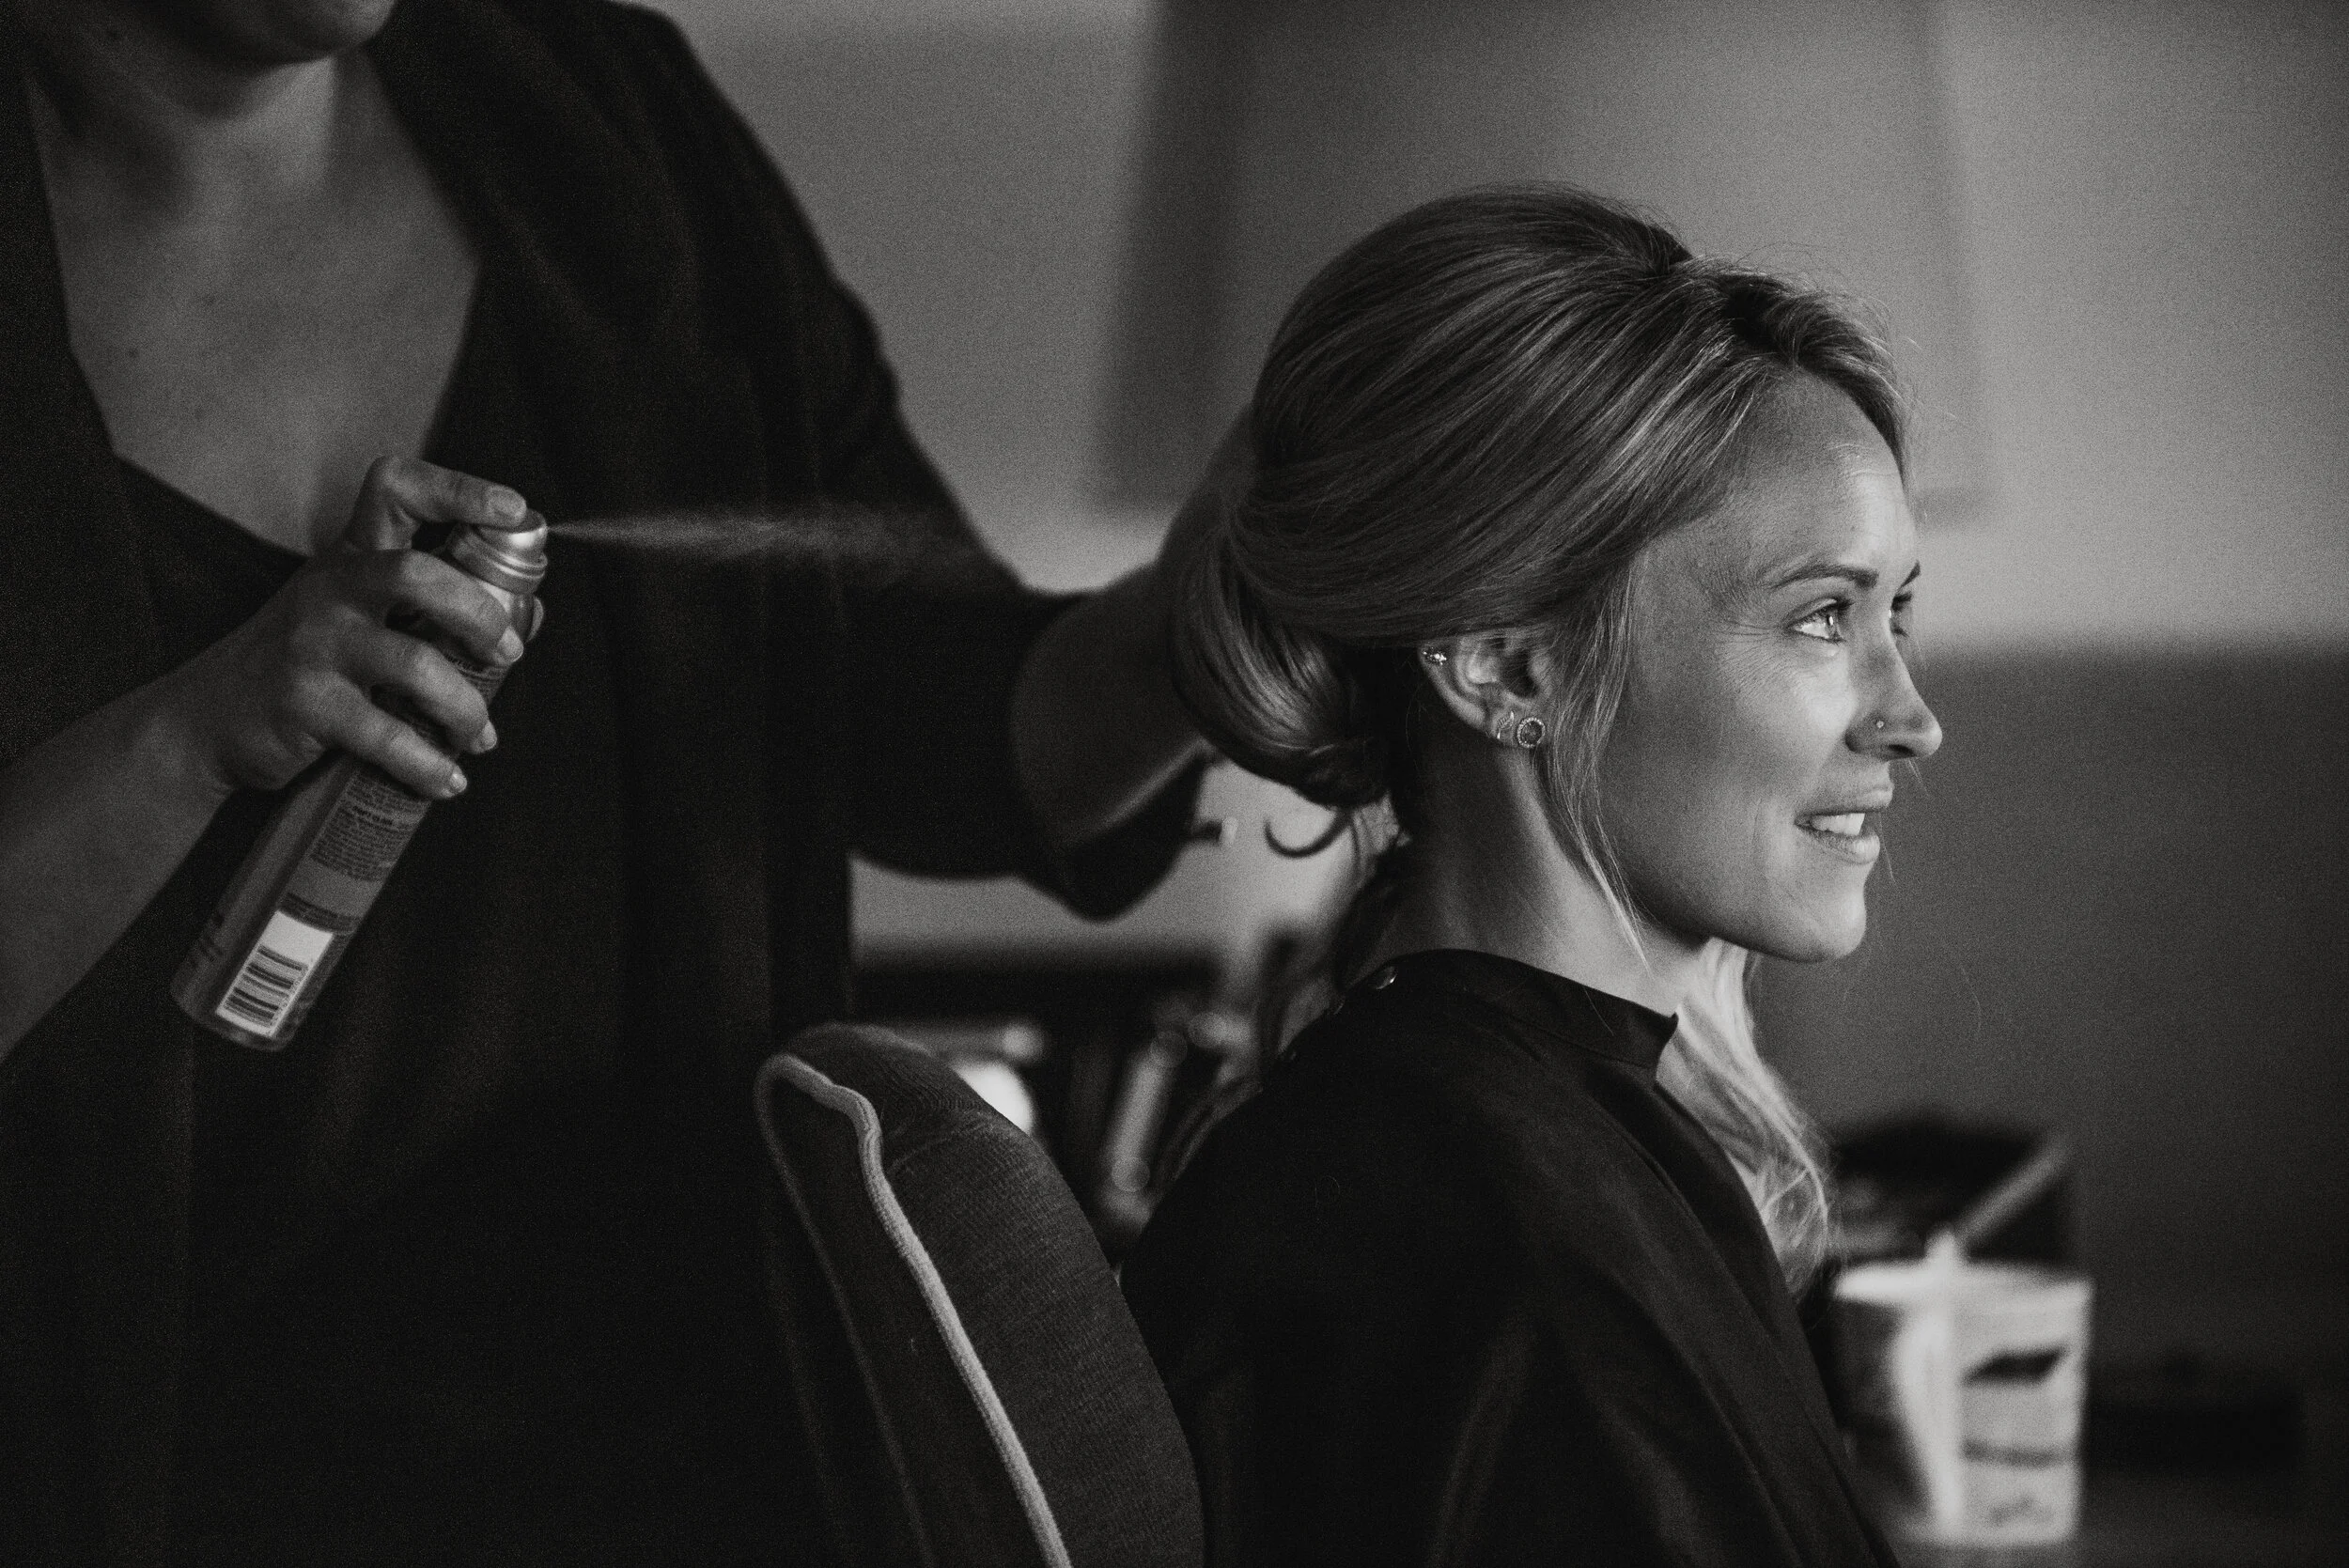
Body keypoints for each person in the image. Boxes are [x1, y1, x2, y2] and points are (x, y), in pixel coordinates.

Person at [0, 0, 1206, 1561]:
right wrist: (181, 738)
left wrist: (1210, 625)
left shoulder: (600, 118)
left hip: (671, 1465)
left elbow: (937, 720)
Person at [1120, 185, 1942, 1566]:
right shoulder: (1514, 1259)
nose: (1912, 716)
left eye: (1896, 613)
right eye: (1822, 617)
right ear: (1511, 669)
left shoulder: (1469, 1143)